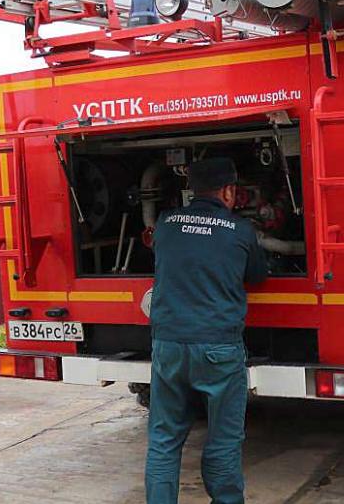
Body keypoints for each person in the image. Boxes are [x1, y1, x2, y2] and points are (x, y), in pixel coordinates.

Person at [145, 157, 268, 504]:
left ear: (191, 190)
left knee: (164, 440)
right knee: (224, 440)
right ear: (229, 191)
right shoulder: (241, 230)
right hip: (218, 348)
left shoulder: (166, 224)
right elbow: (257, 276)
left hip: (168, 345)